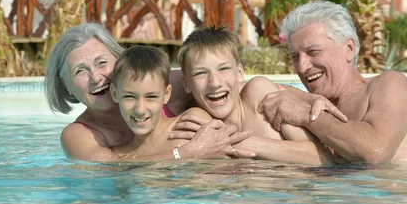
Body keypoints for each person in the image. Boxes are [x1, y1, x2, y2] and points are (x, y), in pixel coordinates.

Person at [257, 0, 407, 164]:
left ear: (349, 49)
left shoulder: (390, 85)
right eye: (295, 56)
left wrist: (306, 115)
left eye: (313, 52)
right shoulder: (313, 102)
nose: (302, 66)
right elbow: (259, 91)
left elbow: (375, 152)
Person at [44, 23, 253, 162]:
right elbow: (114, 170)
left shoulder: (167, 83)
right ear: (65, 83)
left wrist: (282, 95)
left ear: (119, 61)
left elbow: (226, 85)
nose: (96, 77)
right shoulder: (80, 135)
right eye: (81, 71)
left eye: (102, 63)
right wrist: (188, 153)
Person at [171, 26, 333, 166]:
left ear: (240, 73)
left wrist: (236, 141)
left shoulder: (259, 95)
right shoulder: (195, 124)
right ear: (186, 84)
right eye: (200, 73)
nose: (214, 83)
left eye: (224, 69)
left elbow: (324, 158)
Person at [110, 45, 245, 161]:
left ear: (167, 94)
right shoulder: (117, 155)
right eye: (129, 96)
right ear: (115, 94)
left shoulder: (189, 125)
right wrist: (182, 154)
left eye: (151, 97)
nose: (140, 109)